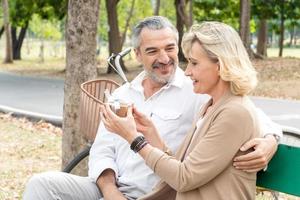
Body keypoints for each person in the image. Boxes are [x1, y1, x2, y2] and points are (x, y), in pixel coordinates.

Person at [23, 16, 281, 200]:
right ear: (137, 54)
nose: (165, 58)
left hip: (158, 194)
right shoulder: (123, 94)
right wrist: (111, 193)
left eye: (170, 48)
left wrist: (271, 139)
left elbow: (247, 115)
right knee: (42, 185)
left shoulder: (198, 91)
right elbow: (101, 152)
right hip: (111, 190)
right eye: (152, 51)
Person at [100, 21, 266, 199]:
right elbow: (182, 168)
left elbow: (183, 178)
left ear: (221, 65)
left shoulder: (235, 112)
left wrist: (134, 139)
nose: (187, 72)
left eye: (194, 63)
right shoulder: (210, 105)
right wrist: (151, 135)